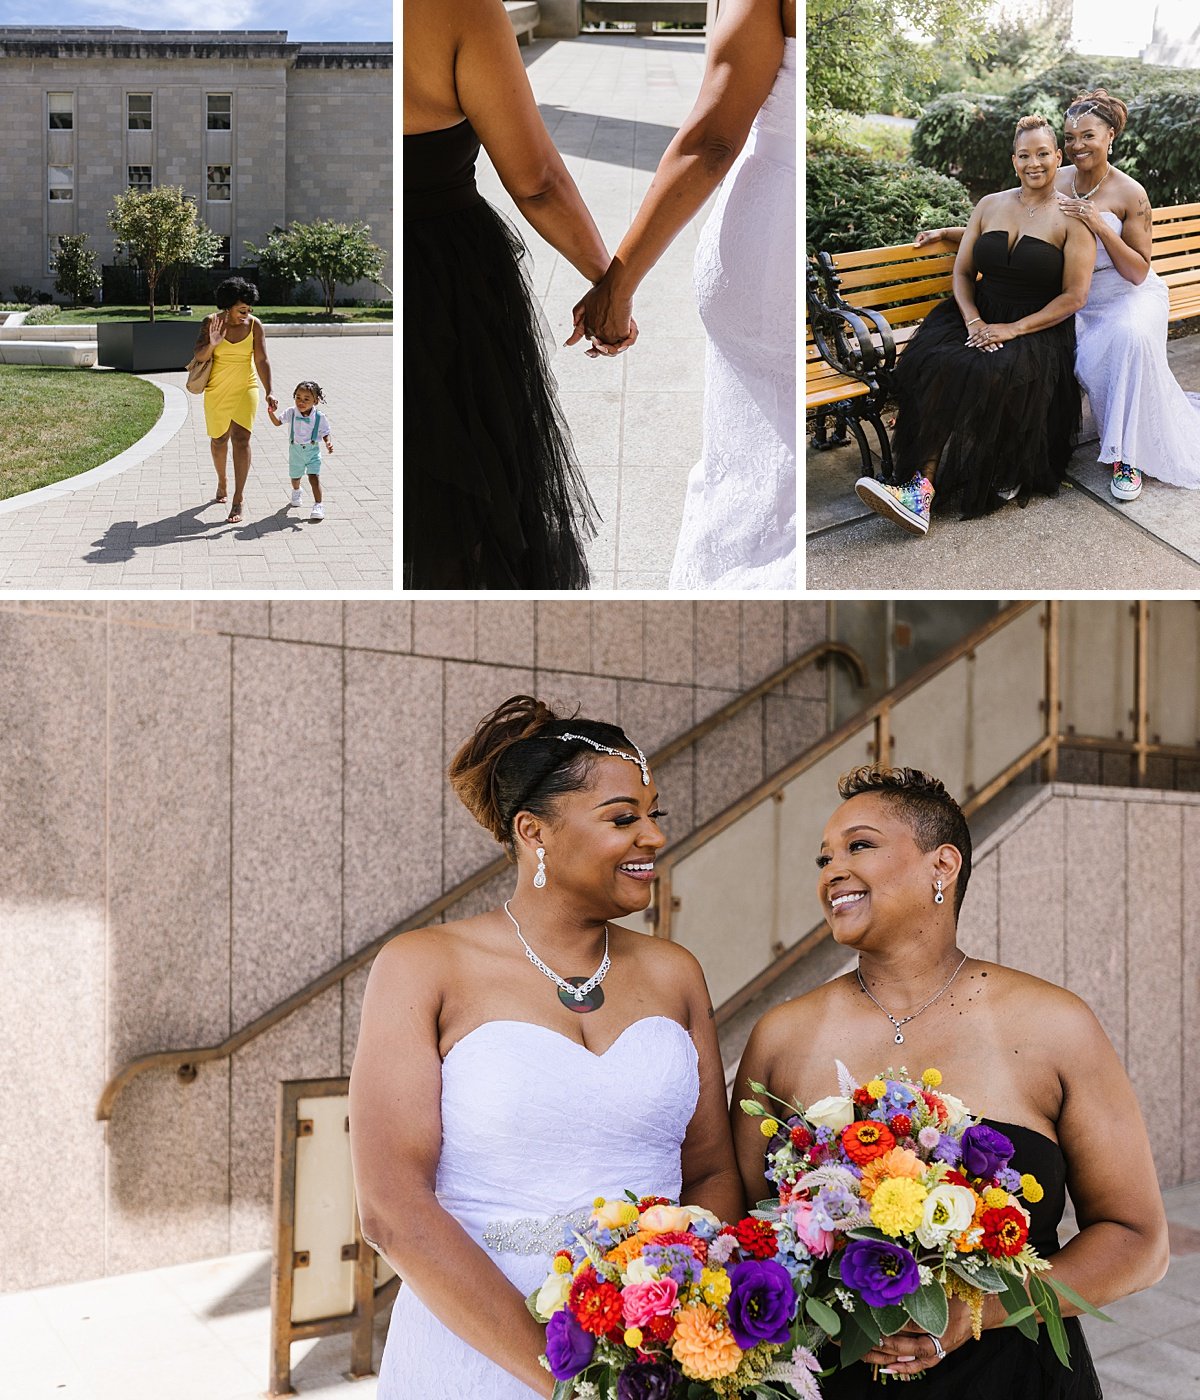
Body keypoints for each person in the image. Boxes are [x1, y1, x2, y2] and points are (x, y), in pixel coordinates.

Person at [732, 764, 1170, 1396]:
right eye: (823, 858)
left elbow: (1138, 1239)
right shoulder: (781, 1036)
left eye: (859, 846)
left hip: (1015, 1377)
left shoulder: (1055, 1024)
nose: (832, 871)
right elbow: (746, 1228)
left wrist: (981, 1312)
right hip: (831, 1381)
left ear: (943, 866)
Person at [349, 696, 742, 1399]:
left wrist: (684, 1316)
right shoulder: (423, 965)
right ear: (535, 832)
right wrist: (564, 1381)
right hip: (477, 1352)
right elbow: (392, 1208)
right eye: (624, 819)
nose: (652, 837)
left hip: (649, 1363)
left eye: (656, 817)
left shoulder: (675, 972)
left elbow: (711, 1170)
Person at [403, 0, 630, 590]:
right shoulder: (461, 9)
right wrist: (609, 282)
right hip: (447, 288)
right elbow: (536, 180)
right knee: (468, 501)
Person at [571, 0, 797, 590]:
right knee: (765, 482)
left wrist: (617, 285)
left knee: (748, 480)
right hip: (771, 257)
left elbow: (713, 141)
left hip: (769, 250)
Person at [916, 88, 1200, 504]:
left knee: (1128, 338)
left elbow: (1138, 271)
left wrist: (1100, 225)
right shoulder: (1057, 174)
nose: (1077, 145)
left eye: (1088, 135)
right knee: (1065, 348)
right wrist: (949, 234)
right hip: (1070, 289)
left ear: (1110, 137)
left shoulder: (1130, 193)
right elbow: (1013, 223)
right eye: (1070, 137)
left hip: (1124, 291)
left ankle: (1128, 455)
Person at [855, 116, 1094, 536]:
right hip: (976, 314)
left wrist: (1012, 330)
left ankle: (941, 483)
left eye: (1043, 154)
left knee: (983, 369)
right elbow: (963, 273)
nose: (1033, 163)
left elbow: (1074, 297)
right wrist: (974, 319)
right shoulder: (989, 205)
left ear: (1058, 157)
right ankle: (919, 490)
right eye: (1024, 155)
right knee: (936, 361)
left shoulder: (1074, 220)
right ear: (1013, 159)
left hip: (1036, 327)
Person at [190, 276, 276, 525]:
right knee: (219, 440)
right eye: (241, 310)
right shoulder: (212, 322)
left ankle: (238, 498)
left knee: (241, 439)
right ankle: (222, 481)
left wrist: (269, 389)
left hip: (245, 387)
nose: (245, 314)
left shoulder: (254, 325)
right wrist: (213, 344)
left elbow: (262, 360)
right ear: (228, 306)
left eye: (248, 309)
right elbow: (198, 354)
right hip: (217, 388)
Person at [268, 380, 333, 522]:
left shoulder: (319, 417)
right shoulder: (291, 412)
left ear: (315, 401)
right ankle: (297, 491)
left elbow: (325, 431)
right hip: (295, 451)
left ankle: (318, 505)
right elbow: (277, 422)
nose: (301, 402)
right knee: (295, 477)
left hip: (312, 451)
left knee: (314, 477)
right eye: (298, 397)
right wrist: (271, 413)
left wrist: (328, 442)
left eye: (306, 399)